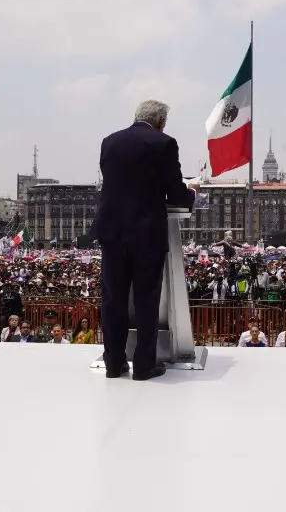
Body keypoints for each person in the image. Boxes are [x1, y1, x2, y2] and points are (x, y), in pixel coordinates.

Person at [91, 100, 197, 381]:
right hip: (146, 233)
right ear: (161, 121)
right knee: (146, 299)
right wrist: (192, 194)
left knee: (113, 299)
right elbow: (175, 192)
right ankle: (143, 365)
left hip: (112, 232)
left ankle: (114, 363)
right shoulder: (164, 143)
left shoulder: (109, 142)